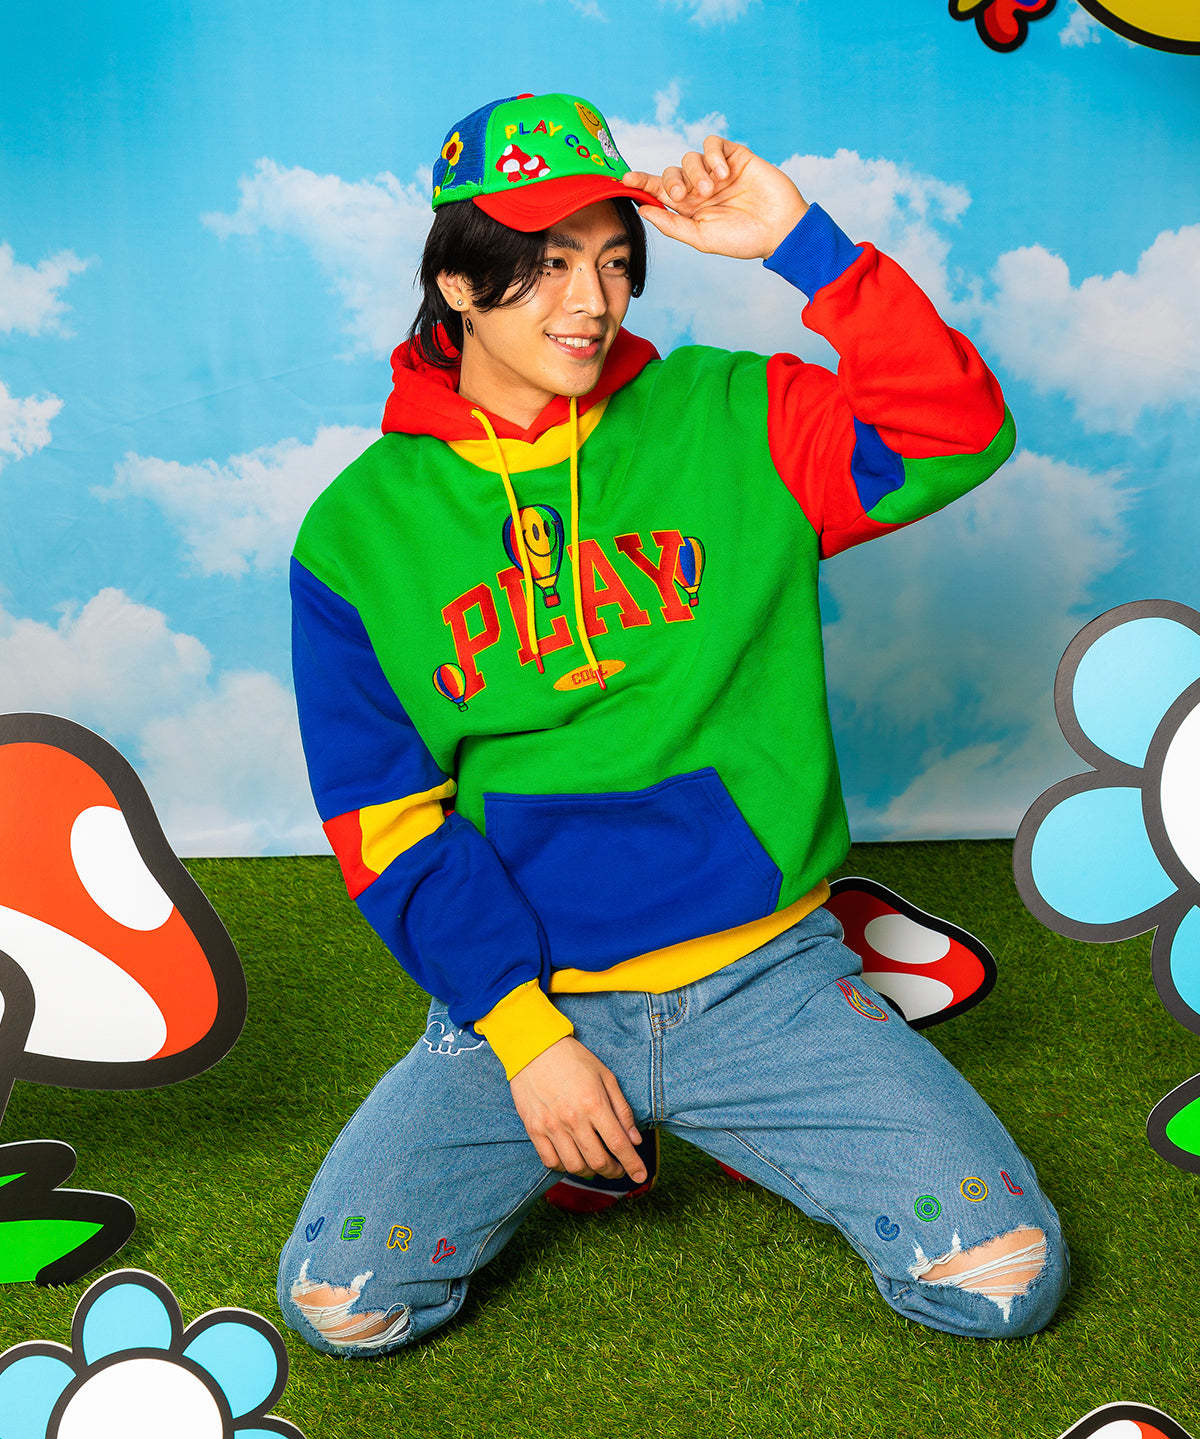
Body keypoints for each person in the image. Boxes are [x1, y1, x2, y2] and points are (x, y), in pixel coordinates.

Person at [277, 90, 1068, 1354]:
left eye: (611, 261)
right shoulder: (355, 534)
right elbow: (385, 822)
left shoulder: (734, 417)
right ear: (458, 283)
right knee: (343, 1308)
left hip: (766, 981)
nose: (589, 302)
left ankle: (728, 1111)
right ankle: (604, 1132)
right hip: (532, 997)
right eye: (545, 264)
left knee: (1004, 1284)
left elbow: (958, 431)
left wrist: (805, 244)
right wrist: (525, 1039)